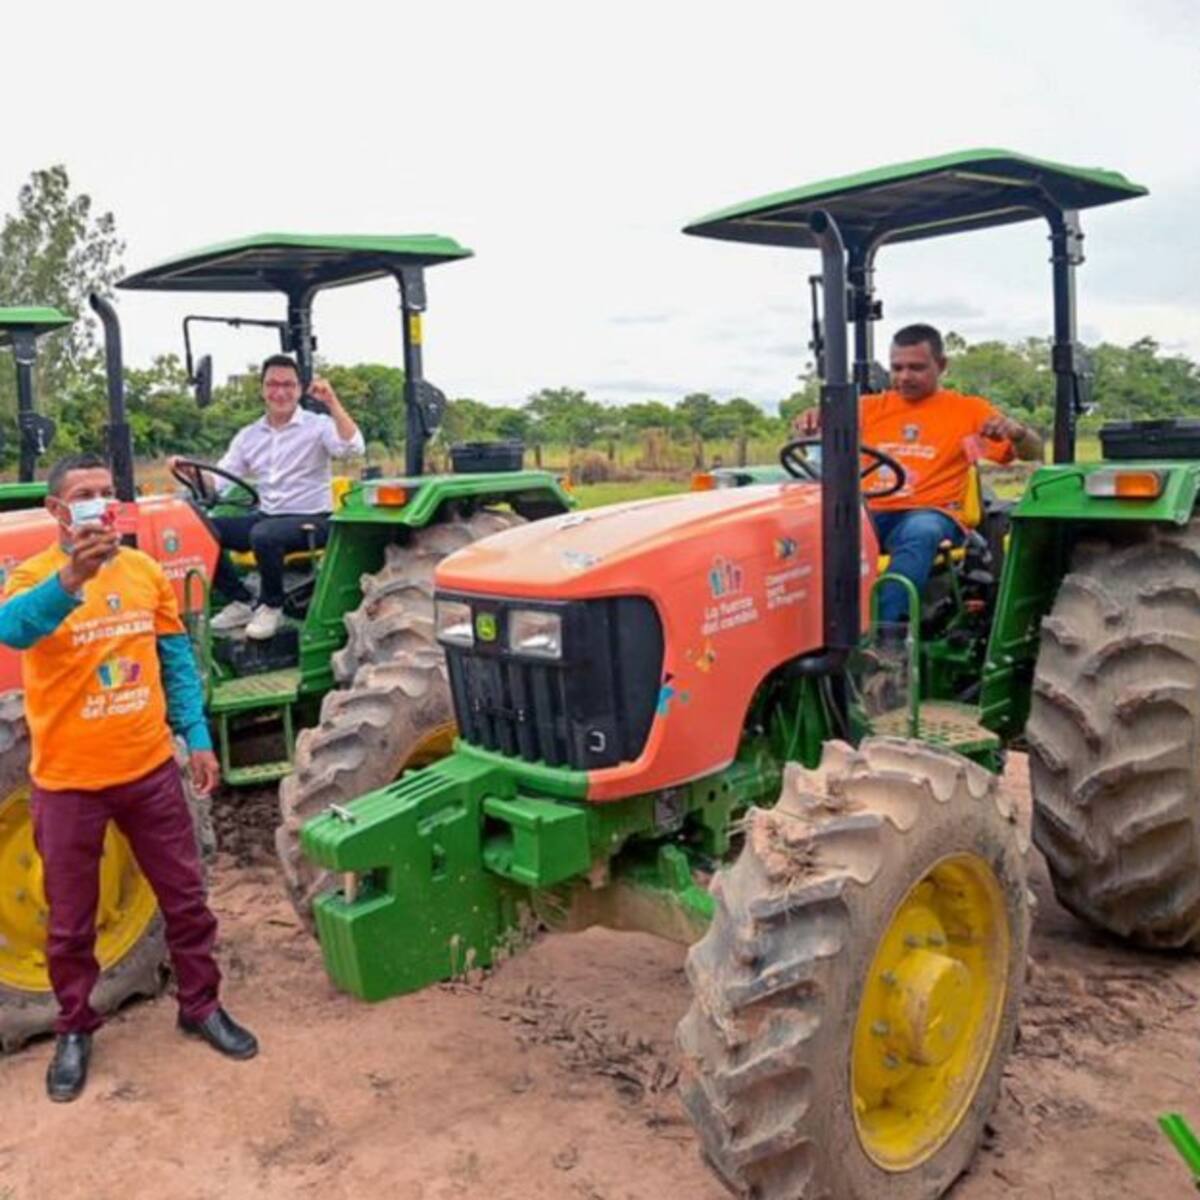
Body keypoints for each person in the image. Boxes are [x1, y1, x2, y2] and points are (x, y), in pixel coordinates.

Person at [0, 454, 257, 1102]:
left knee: (187, 899)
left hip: (147, 772)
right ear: (58, 511)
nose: (98, 504)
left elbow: (174, 658)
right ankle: (75, 1028)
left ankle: (200, 1004)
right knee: (70, 922)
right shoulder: (31, 576)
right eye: (83, 496)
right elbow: (14, 630)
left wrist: (196, 737)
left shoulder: (144, 572)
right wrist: (73, 578)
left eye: (106, 493)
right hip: (66, 782)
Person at [796, 323, 1043, 627]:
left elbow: (1032, 452)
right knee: (809, 528)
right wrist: (810, 419)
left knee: (920, 531)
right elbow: (816, 431)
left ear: (941, 366)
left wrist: (1017, 433)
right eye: (897, 367)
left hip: (933, 514)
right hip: (871, 511)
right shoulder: (868, 408)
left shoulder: (967, 411)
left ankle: (887, 635)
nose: (904, 377)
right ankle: (806, 628)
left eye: (916, 367)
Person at [170, 355, 364, 640]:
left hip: (314, 519)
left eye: (288, 384)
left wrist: (332, 402)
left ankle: (271, 605)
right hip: (269, 517)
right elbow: (219, 482)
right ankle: (240, 601)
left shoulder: (318, 425)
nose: (280, 392)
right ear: (262, 389)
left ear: (299, 389)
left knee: (264, 534)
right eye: (273, 384)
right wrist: (190, 472)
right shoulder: (249, 436)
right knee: (198, 527)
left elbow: (352, 448)